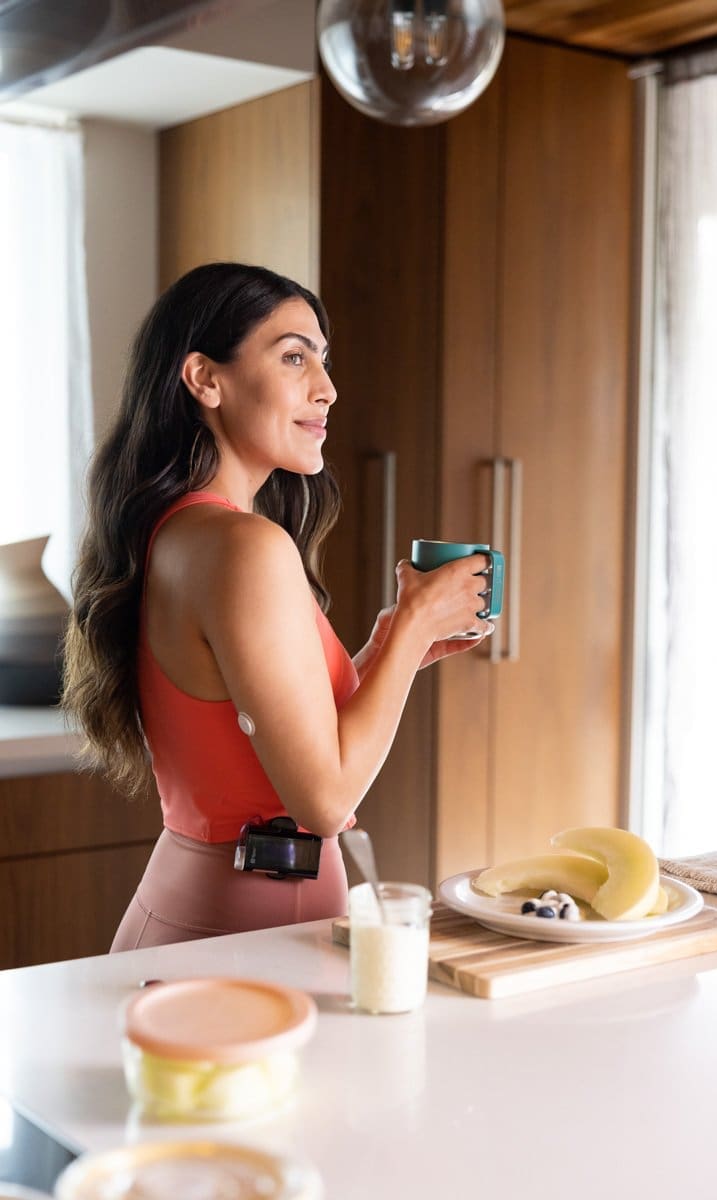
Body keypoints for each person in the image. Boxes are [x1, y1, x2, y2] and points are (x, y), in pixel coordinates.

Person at [61, 261, 494, 951]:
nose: (326, 389)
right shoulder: (243, 546)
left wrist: (392, 650)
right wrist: (413, 626)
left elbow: (258, 736)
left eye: (322, 361)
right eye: (294, 357)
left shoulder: (184, 531)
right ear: (206, 378)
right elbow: (324, 802)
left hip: (209, 915)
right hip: (236, 936)